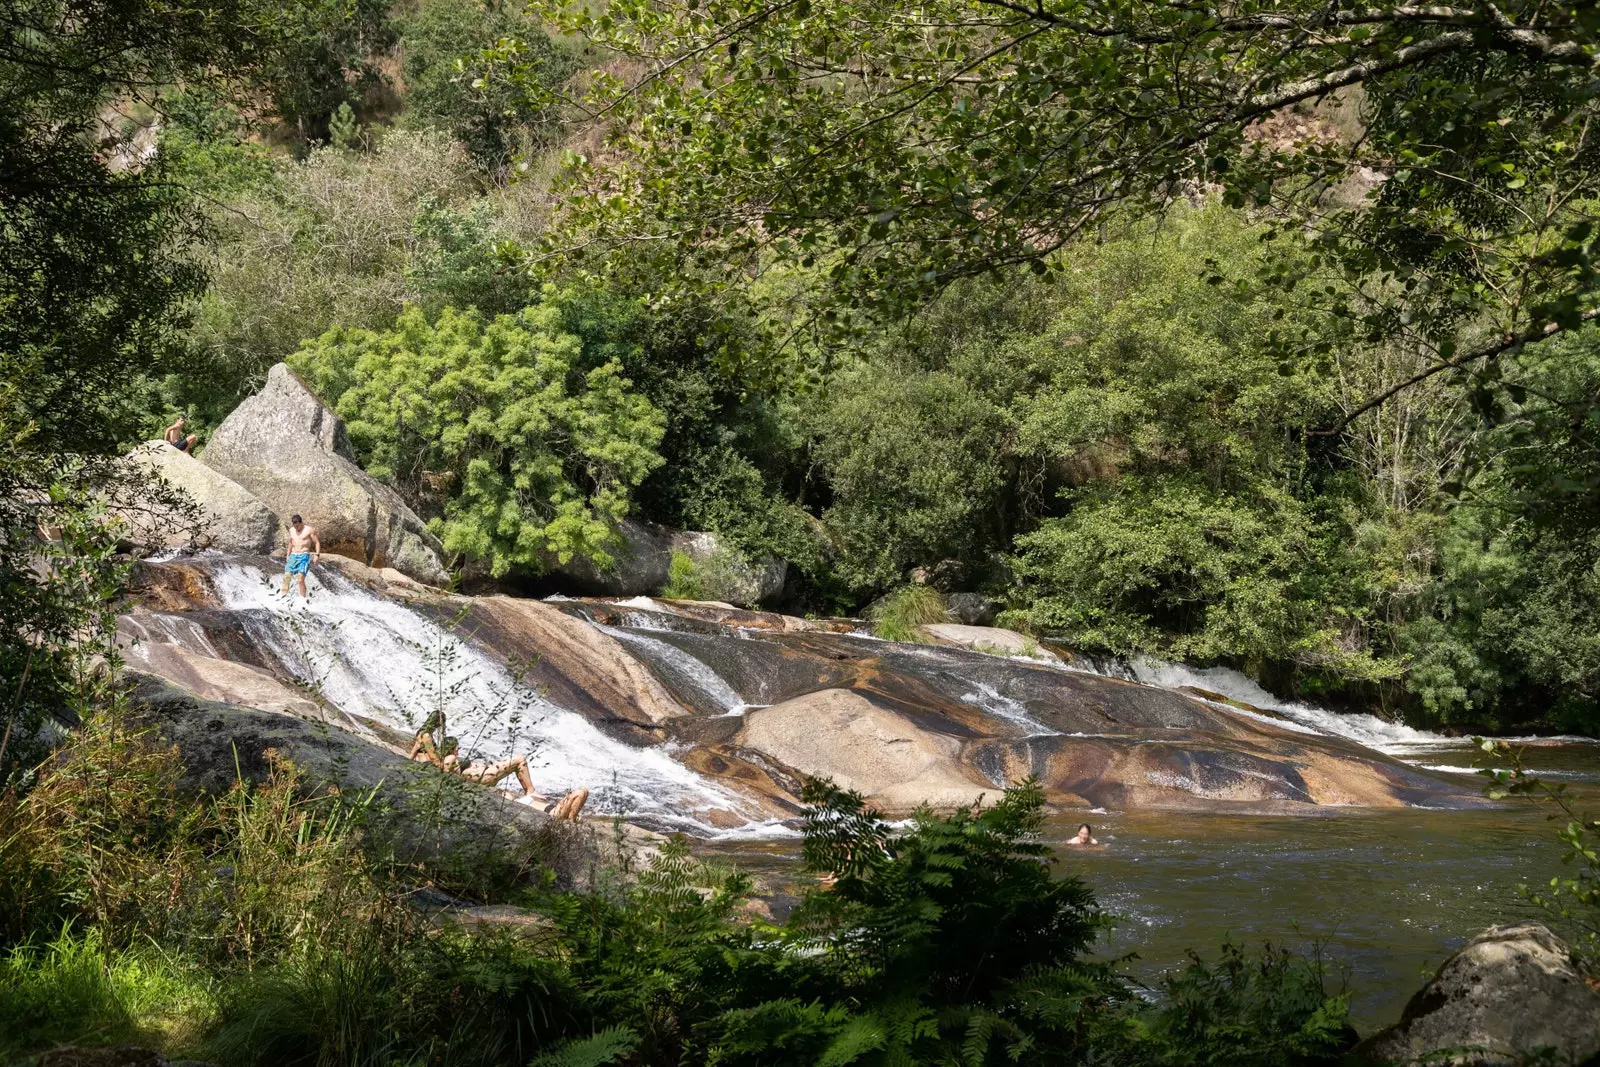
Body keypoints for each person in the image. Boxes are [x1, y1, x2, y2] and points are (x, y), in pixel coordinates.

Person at [280, 514, 321, 598]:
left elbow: (317, 542)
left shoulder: (309, 530)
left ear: (301, 522)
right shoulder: (292, 530)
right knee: (287, 577)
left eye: (298, 526)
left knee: (300, 579)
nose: (297, 528)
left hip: (304, 556)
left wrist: (317, 555)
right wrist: (288, 554)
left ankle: (303, 600)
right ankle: (283, 598)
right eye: (295, 526)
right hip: (293, 556)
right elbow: (291, 542)